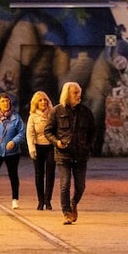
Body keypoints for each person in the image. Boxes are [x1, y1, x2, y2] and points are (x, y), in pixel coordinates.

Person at [44, 82, 96, 225]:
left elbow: (93, 132)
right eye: (75, 93)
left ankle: (74, 203)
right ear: (67, 94)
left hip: (81, 155)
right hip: (63, 155)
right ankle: (66, 212)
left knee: (80, 186)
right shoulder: (56, 111)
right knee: (65, 184)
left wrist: (88, 147)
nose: (79, 95)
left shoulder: (86, 112)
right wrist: (57, 142)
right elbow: (48, 131)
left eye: (79, 92)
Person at [26, 91, 56, 210]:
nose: (43, 102)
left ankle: (48, 200)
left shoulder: (53, 114)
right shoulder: (33, 116)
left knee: (50, 173)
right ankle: (40, 200)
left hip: (50, 146)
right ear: (36, 103)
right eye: (40, 100)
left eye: (45, 100)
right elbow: (30, 133)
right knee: (39, 174)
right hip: (38, 147)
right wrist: (32, 149)